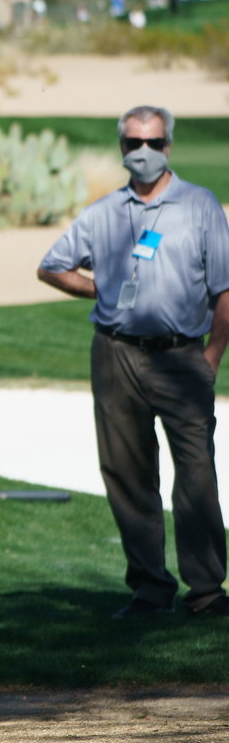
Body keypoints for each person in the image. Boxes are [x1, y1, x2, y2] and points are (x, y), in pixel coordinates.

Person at [38, 105, 229, 618]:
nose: (142, 153)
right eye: (132, 143)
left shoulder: (200, 205)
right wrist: (97, 288)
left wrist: (211, 354)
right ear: (121, 147)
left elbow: (225, 289)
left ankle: (207, 590)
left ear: (169, 147)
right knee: (126, 473)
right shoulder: (102, 213)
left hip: (182, 355)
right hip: (115, 353)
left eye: (152, 142)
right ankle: (149, 588)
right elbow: (51, 266)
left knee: (195, 474)